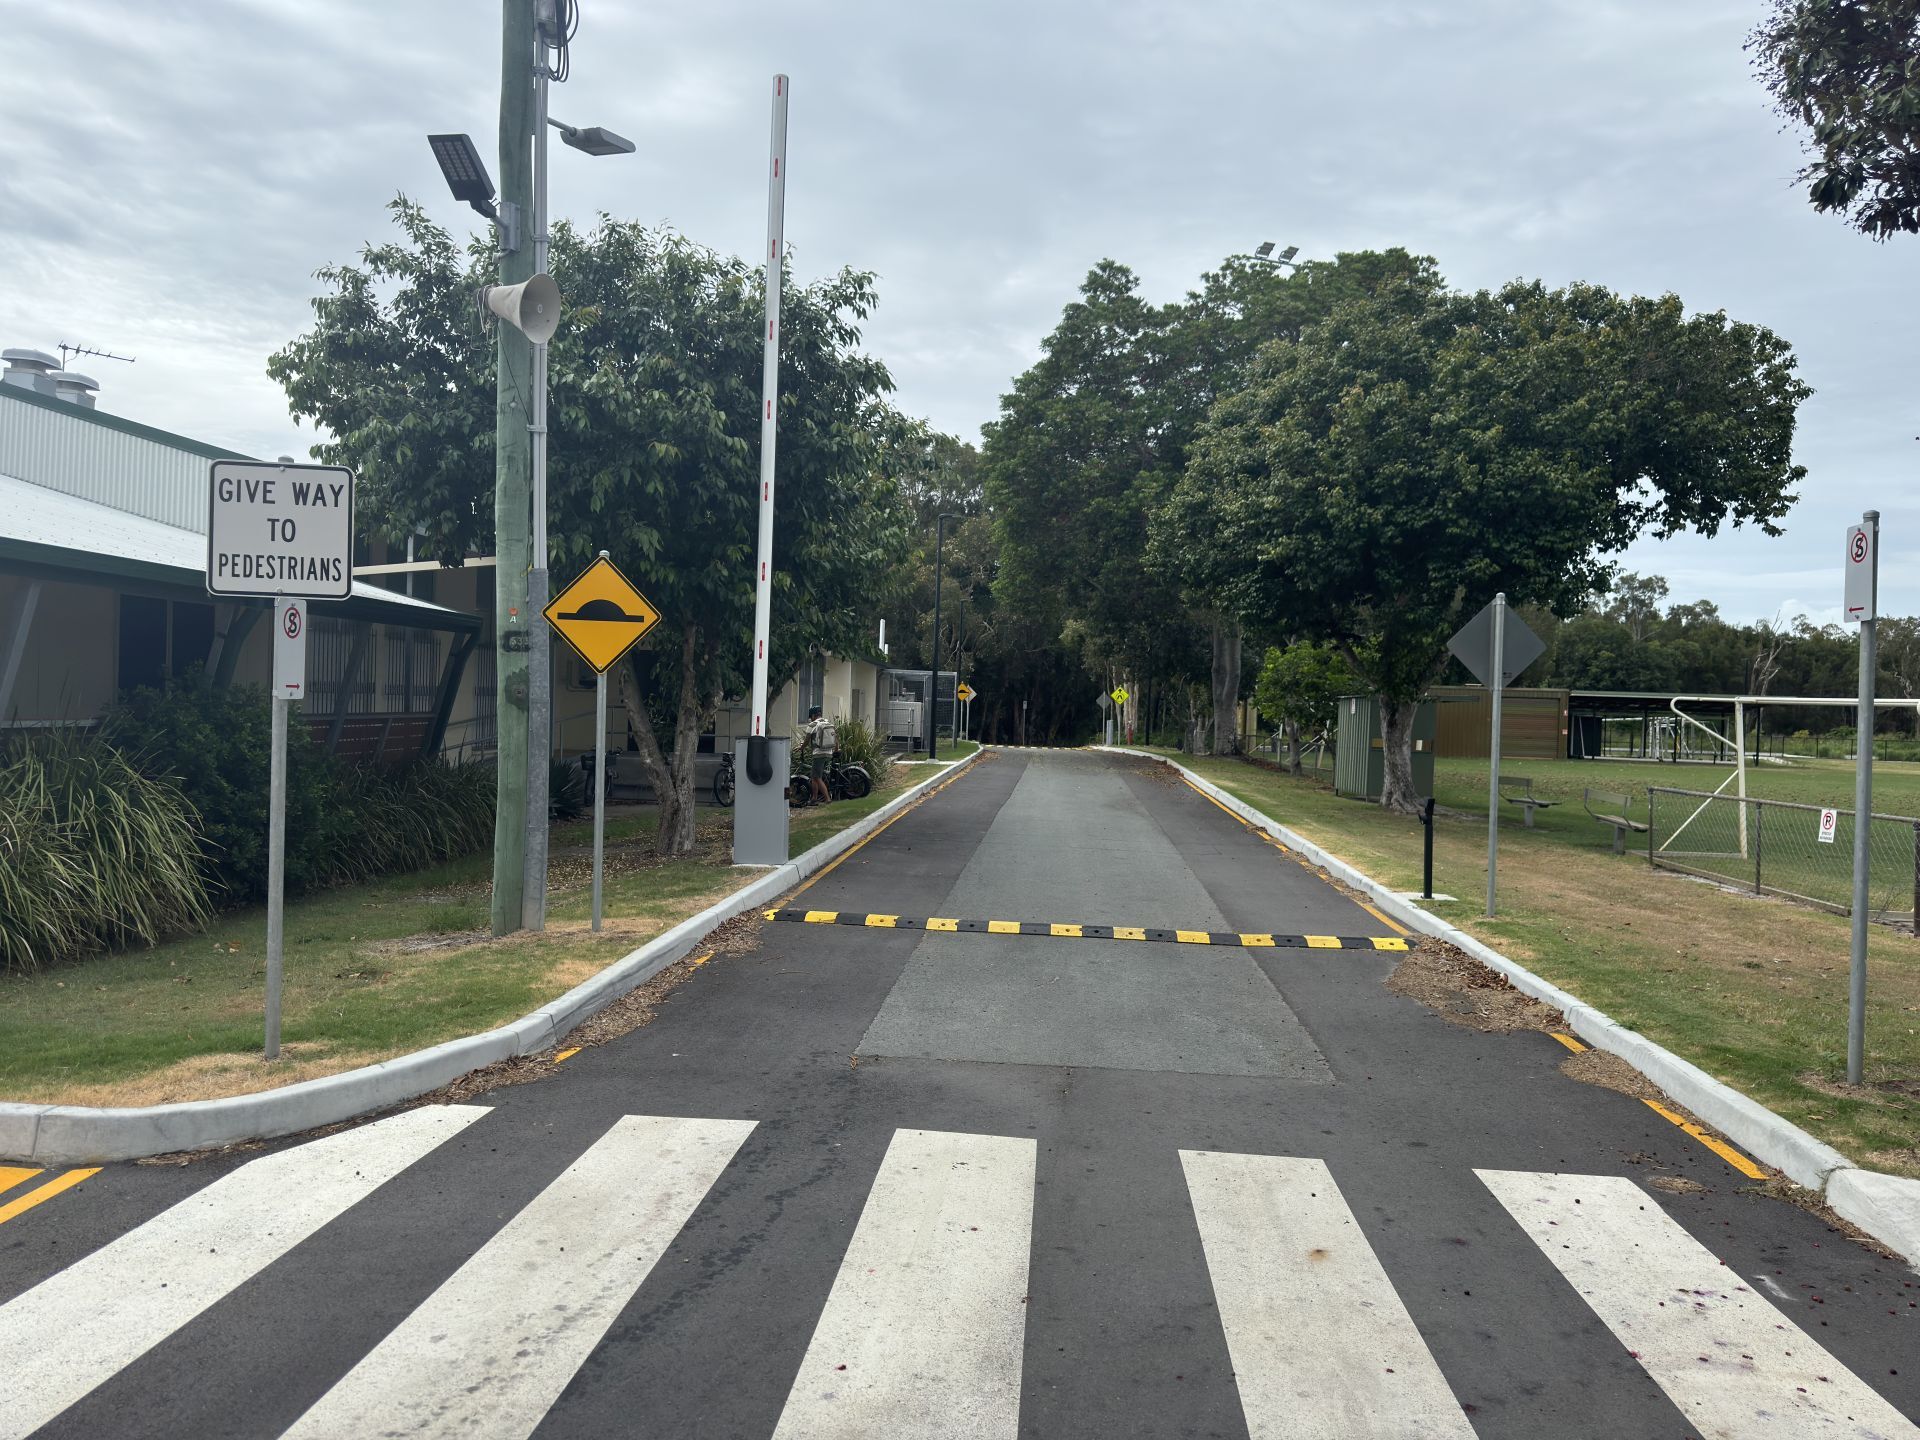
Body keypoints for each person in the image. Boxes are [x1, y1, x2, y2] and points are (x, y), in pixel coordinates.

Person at [802, 705, 837, 803]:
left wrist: (801, 748)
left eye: (810, 716)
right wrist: (836, 749)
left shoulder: (812, 725)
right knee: (814, 776)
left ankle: (827, 799)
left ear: (813, 715)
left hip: (819, 754)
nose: (810, 718)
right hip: (829, 753)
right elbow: (835, 737)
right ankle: (814, 798)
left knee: (817, 777)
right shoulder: (828, 722)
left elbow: (806, 740)